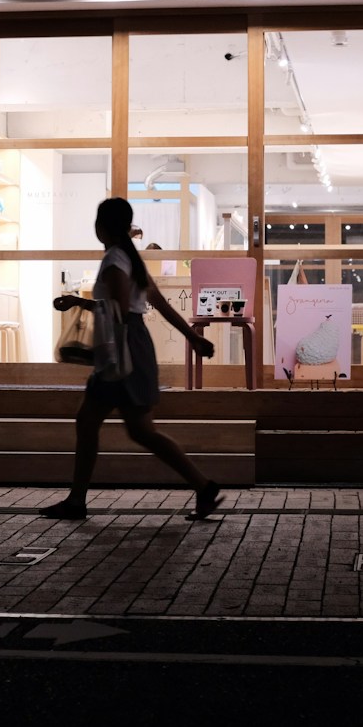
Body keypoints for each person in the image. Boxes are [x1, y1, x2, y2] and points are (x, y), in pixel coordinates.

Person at [42, 197, 224, 521]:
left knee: (95, 423)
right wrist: (192, 337)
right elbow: (160, 304)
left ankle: (76, 501)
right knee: (137, 430)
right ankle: (202, 485)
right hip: (136, 347)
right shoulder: (131, 258)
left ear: (101, 227)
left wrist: (77, 303)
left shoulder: (115, 258)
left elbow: (120, 311)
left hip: (121, 351)